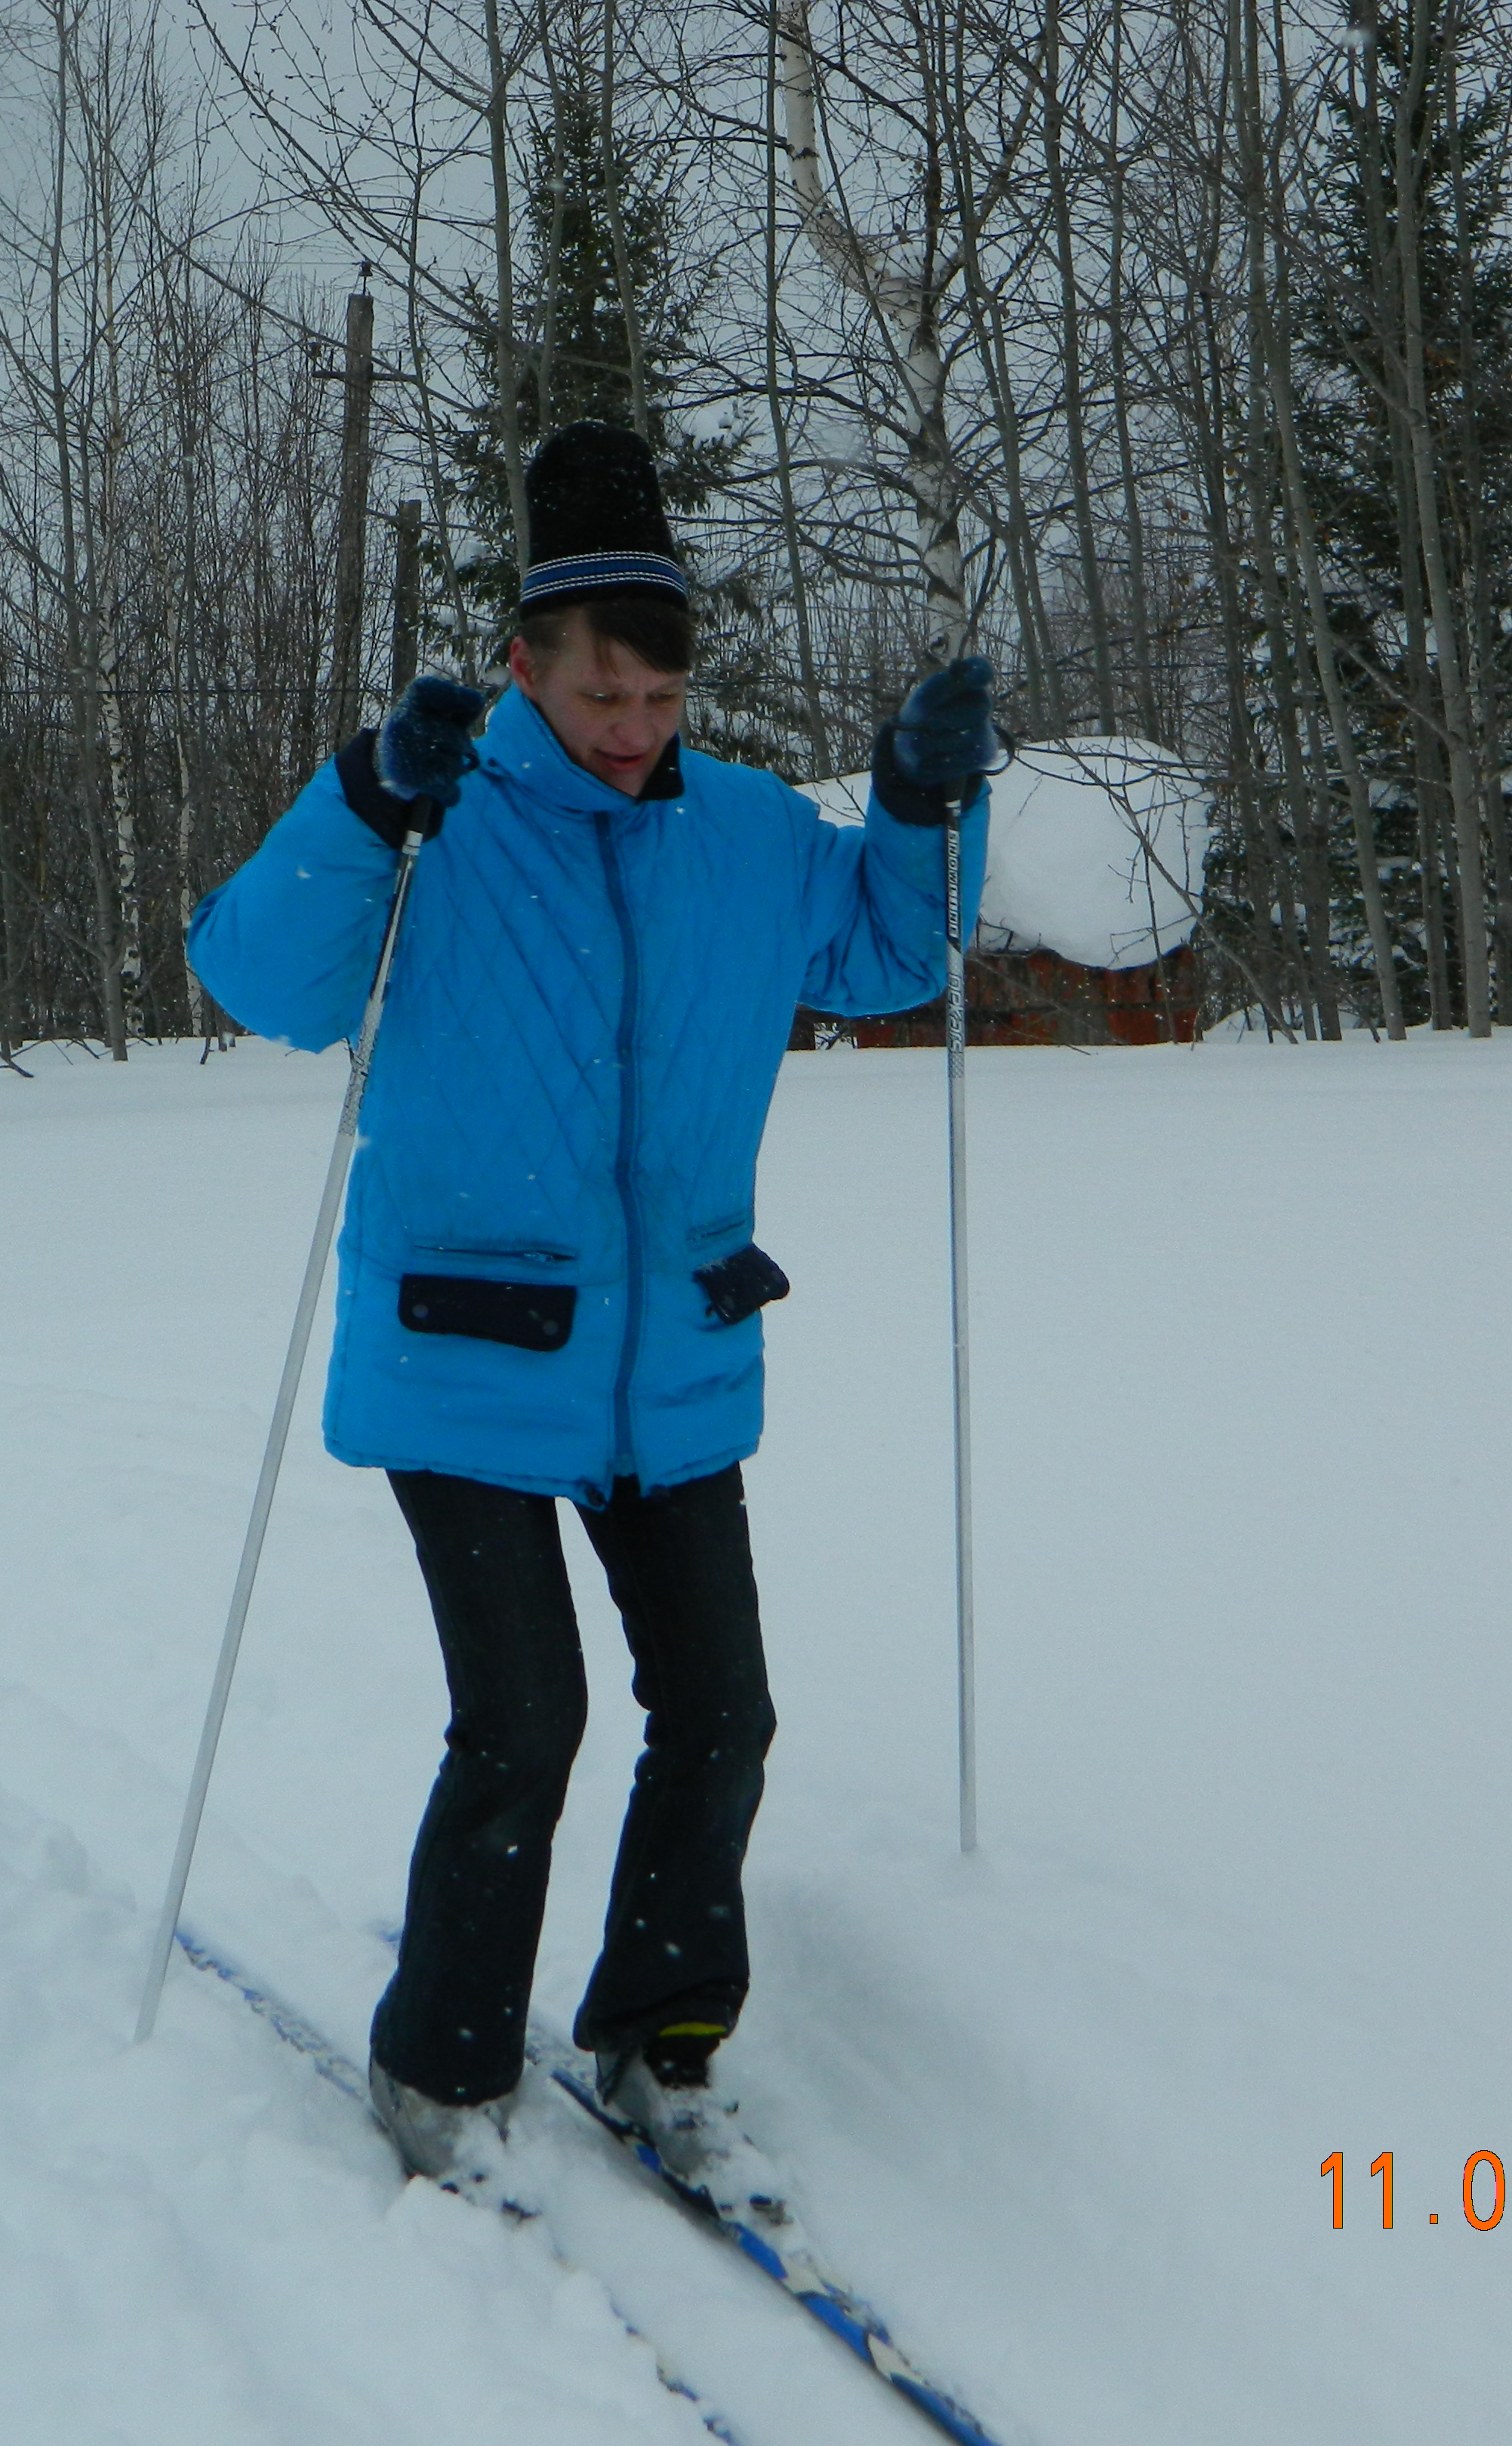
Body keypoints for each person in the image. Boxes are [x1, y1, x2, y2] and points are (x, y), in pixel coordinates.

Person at [187, 422, 996, 2204]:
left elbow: (888, 953)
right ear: (524, 671)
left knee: (723, 1715)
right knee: (525, 1718)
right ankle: (443, 2065)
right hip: (464, 1355)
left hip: (677, 1355)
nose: (631, 725)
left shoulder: (751, 829)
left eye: (659, 688)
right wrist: (364, 799)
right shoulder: (437, 824)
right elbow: (257, 978)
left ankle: (661, 2036)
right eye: (597, 688)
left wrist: (930, 803)